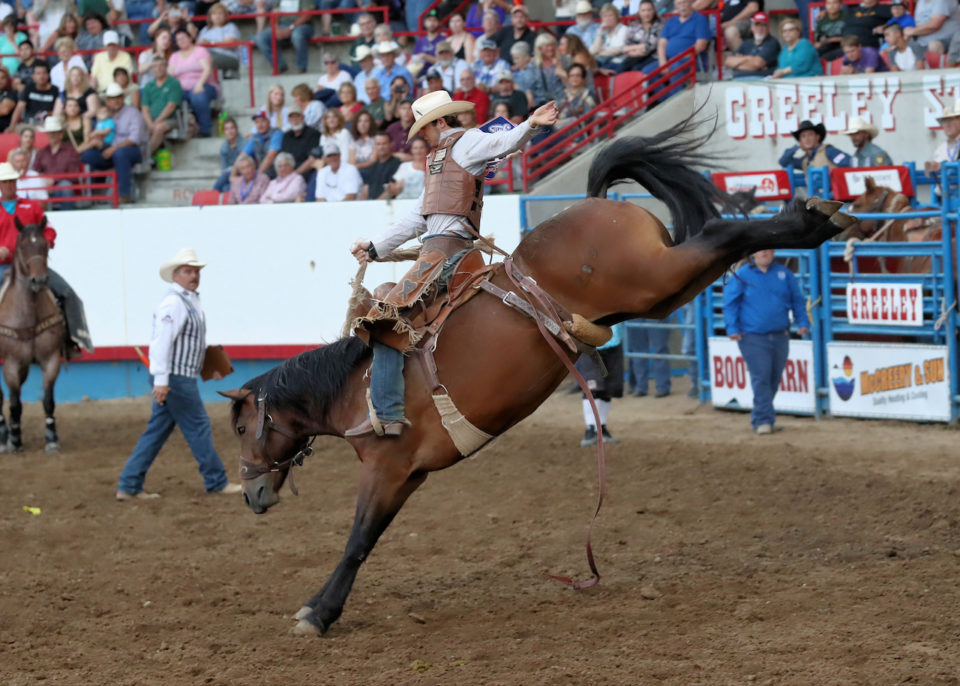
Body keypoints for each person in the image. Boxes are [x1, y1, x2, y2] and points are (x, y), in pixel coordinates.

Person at [345, 92, 559, 438]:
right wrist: (376, 247)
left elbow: (503, 141)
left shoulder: (467, 142)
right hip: (442, 252)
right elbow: (418, 217)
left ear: (440, 122)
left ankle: (387, 413)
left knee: (385, 323)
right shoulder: (440, 158)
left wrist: (531, 125)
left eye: (424, 129)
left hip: (442, 255)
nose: (421, 137)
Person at [116, 248, 242, 501]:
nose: (193, 275)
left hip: (176, 377)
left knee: (158, 430)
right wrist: (162, 381)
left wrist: (205, 367)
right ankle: (216, 481)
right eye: (188, 271)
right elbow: (161, 344)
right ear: (175, 275)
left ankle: (129, 485)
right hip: (176, 379)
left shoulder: (185, 301)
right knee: (198, 426)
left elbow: (182, 343)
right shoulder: (175, 303)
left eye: (195, 271)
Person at [0, 160, 92, 356]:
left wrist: (43, 245)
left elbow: (49, 230)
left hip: (33, 265)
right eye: (5, 182)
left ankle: (73, 340)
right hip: (4, 266)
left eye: (11, 181)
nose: (9, 185)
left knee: (67, 293)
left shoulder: (32, 207)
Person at [723, 250, 810, 435]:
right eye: (760, 249)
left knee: (773, 378)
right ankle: (763, 420)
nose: (764, 253)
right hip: (753, 336)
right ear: (753, 253)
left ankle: (762, 417)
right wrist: (732, 328)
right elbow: (730, 302)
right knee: (761, 377)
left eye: (768, 249)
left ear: (773, 253)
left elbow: (797, 300)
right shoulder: (742, 275)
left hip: (780, 335)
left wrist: (803, 321)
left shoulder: (784, 274)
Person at [79, 82, 147, 203]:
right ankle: (95, 193)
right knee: (88, 155)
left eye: (117, 97)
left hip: (132, 150)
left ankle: (124, 194)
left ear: (123, 98)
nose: (115, 101)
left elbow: (134, 139)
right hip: (110, 150)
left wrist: (113, 148)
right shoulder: (105, 114)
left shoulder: (133, 113)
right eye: (111, 98)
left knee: (120, 153)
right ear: (108, 101)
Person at [575, 322, 623, 447]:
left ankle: (601, 427)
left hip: (614, 341)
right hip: (589, 343)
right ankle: (590, 428)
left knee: (609, 388)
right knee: (593, 387)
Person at [168, 29, 217, 138]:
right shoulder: (174, 56)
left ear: (190, 38)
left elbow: (207, 69)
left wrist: (199, 84)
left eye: (184, 37)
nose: (181, 41)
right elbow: (170, 75)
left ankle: (205, 129)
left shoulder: (200, 51)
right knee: (168, 97)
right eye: (178, 39)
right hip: (181, 89)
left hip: (204, 85)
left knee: (197, 96)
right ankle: (174, 131)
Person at [33, 116, 82, 209]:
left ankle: (68, 216)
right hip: (45, 187)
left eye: (54, 133)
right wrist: (44, 181)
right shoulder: (42, 152)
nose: (51, 135)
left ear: (60, 134)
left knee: (66, 186)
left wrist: (53, 181)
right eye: (50, 133)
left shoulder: (70, 151)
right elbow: (36, 171)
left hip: (62, 187)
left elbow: (74, 174)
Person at [254, 0, 314, 74]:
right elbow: (274, 14)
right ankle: (279, 65)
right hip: (282, 25)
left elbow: (307, 15)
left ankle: (301, 67)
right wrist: (276, 28)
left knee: (297, 35)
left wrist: (290, 28)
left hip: (302, 26)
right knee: (260, 38)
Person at [140, 55, 183, 155]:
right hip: (151, 121)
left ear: (166, 67)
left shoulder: (174, 83)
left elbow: (171, 106)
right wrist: (150, 123)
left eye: (161, 66)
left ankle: (146, 156)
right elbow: (144, 108)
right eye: (155, 66)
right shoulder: (148, 86)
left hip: (171, 119)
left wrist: (156, 122)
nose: (158, 69)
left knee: (158, 128)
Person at [779, 119, 850, 173]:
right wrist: (796, 147)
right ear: (800, 141)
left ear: (817, 137)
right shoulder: (804, 161)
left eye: (810, 134)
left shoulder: (828, 151)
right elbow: (783, 161)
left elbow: (849, 163)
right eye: (803, 136)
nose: (807, 139)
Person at [657, 0, 710, 72]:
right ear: (676, 7)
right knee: (648, 70)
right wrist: (663, 63)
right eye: (679, 3)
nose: (682, 6)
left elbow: (701, 45)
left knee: (675, 67)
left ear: (691, 3)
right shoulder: (671, 20)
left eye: (684, 2)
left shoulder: (700, 18)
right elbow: (662, 43)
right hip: (669, 60)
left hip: (691, 60)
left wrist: (678, 58)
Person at [627, 319, 671, 398]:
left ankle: (662, 387)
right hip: (635, 314)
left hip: (655, 312)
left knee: (659, 350)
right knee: (638, 351)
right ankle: (641, 387)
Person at [9, 61, 57, 129]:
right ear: (33, 76)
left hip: (47, 126)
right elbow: (19, 108)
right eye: (38, 73)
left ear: (48, 75)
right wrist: (12, 126)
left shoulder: (55, 90)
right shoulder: (29, 88)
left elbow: (58, 111)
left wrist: (47, 113)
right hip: (28, 125)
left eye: (44, 73)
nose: (41, 76)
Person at [197, 3, 241, 72]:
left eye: (220, 13)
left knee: (206, 59)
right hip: (207, 55)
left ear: (225, 16)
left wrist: (210, 43)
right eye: (214, 14)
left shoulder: (230, 27)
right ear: (210, 16)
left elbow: (230, 43)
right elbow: (198, 45)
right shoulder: (205, 29)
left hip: (227, 56)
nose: (217, 16)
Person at [281, 104, 320, 181]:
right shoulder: (286, 136)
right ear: (288, 120)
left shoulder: (314, 134)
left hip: (306, 174)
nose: (295, 120)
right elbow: (283, 158)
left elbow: (312, 160)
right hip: (287, 174)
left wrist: (294, 175)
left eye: (297, 116)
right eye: (292, 117)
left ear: (303, 117)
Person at [620, 0, 661, 73]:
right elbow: (625, 46)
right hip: (633, 56)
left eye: (649, 10)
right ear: (639, 12)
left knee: (636, 69)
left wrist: (629, 49)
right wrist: (635, 49)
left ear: (654, 11)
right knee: (621, 68)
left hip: (652, 57)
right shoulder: (634, 25)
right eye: (643, 10)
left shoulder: (658, 25)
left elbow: (648, 47)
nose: (646, 13)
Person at [924, 99, 960, 177]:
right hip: (944, 187)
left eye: (951, 121)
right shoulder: (941, 148)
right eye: (944, 122)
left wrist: (941, 166)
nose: (947, 125)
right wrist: (932, 167)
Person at [360, 131, 400, 199]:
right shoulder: (372, 166)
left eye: (384, 143)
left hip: (387, 205)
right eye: (378, 144)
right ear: (375, 146)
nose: (381, 147)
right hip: (370, 205)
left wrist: (376, 205)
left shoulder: (397, 164)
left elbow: (392, 189)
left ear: (390, 144)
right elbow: (365, 190)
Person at [243, 108, 282, 175]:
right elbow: (242, 155)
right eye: (257, 122)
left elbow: (270, 158)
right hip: (261, 171)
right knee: (228, 176)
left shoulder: (277, 133)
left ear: (269, 122)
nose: (260, 125)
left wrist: (257, 176)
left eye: (263, 121)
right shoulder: (255, 137)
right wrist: (233, 174)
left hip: (276, 171)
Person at [591, 3, 628, 70]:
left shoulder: (624, 29)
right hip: (602, 61)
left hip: (617, 62)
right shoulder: (603, 31)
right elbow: (594, 50)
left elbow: (617, 50)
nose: (608, 19)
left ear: (616, 16)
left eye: (610, 15)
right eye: (605, 16)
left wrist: (599, 53)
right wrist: (600, 32)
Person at [213, 116, 241, 193]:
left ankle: (212, 195)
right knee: (225, 188)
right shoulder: (224, 147)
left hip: (242, 176)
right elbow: (223, 169)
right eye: (227, 129)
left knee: (225, 179)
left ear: (236, 129)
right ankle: (213, 196)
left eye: (232, 128)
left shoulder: (244, 143)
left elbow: (242, 166)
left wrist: (230, 170)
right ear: (224, 132)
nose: (230, 131)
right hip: (229, 177)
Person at [0, 66, 16, 131]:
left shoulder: (11, 93)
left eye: (3, 78)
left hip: (3, 126)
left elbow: (4, 110)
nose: (0, 80)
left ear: (7, 79)